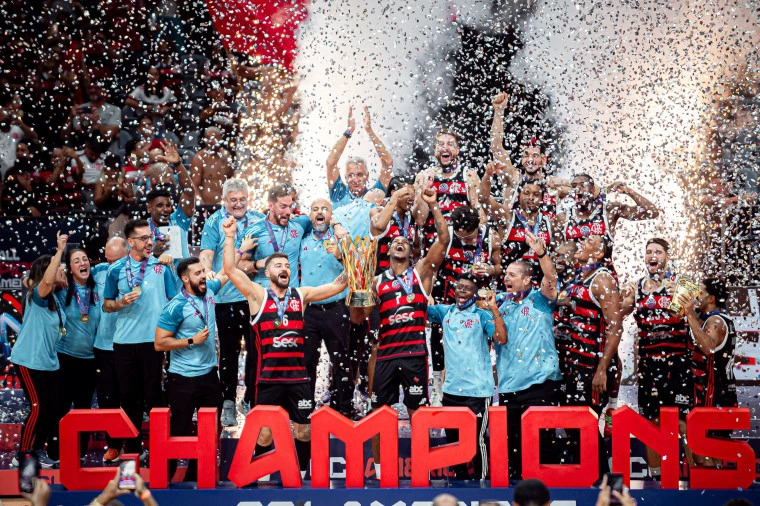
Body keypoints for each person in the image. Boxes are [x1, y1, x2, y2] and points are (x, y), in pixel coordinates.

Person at [222, 217, 349, 478]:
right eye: (278, 265)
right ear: (267, 273)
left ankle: (300, 476)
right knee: (265, 434)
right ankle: (259, 476)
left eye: (287, 266)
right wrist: (230, 236)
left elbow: (338, 285)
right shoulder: (257, 294)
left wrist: (353, 259)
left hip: (298, 379)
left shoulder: (301, 295)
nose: (285, 268)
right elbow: (231, 270)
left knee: (304, 430)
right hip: (268, 380)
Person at [350, 187, 447, 479]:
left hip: (415, 354)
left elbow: (443, 240)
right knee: (380, 413)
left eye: (405, 241)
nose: (400, 243)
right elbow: (357, 319)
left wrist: (433, 206)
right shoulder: (376, 281)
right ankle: (381, 472)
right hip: (386, 355)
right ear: (389, 250)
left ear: (412, 251)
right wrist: (357, 290)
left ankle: (423, 468)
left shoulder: (421, 272)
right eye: (395, 242)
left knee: (418, 413)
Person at [103, 219, 179, 459]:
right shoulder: (115, 270)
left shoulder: (161, 266)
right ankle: (133, 451)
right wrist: (120, 303)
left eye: (151, 237)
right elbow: (106, 305)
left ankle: (160, 450)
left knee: (154, 397)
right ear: (130, 242)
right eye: (144, 238)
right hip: (124, 343)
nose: (150, 242)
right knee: (129, 399)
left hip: (153, 343)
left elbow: (175, 300)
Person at [620, 238, 691, 478]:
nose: (653, 255)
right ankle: (657, 478)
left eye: (658, 252)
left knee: (683, 423)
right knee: (652, 422)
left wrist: (678, 295)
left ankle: (696, 474)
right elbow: (617, 313)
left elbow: (686, 314)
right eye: (649, 251)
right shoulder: (637, 287)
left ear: (667, 257)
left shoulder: (682, 283)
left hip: (677, 364)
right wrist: (623, 296)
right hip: (649, 366)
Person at [554, 234, 623, 477]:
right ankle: (586, 482)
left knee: (586, 428)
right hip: (574, 365)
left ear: (600, 253)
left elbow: (615, 327)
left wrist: (602, 369)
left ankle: (602, 485)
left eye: (590, 242)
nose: (583, 243)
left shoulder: (602, 280)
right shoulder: (579, 277)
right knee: (574, 428)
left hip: (591, 367)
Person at [155, 257, 229, 481]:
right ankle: (165, 479)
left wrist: (236, 247)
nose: (204, 276)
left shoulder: (209, 290)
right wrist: (190, 341)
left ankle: (195, 477)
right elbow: (159, 343)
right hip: (182, 379)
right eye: (198, 273)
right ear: (185, 279)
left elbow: (227, 271)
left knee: (209, 431)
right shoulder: (176, 306)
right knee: (179, 429)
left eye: (203, 271)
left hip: (209, 376)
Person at [495, 232, 562, 480]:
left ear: (527, 280)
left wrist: (541, 253)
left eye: (512, 275)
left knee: (541, 450)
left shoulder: (540, 300)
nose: (506, 278)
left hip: (540, 385)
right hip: (510, 387)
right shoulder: (499, 304)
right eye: (506, 274)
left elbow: (551, 278)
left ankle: (545, 493)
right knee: (514, 453)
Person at [427, 272, 506, 480]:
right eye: (460, 287)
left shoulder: (481, 315)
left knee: (477, 442)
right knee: (454, 443)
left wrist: (494, 308)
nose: (462, 291)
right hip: (451, 390)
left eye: (468, 288)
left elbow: (501, 338)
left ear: (475, 293)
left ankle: (483, 482)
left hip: (477, 392)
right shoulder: (445, 312)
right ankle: (460, 483)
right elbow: (419, 308)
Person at [199, 177, 264, 426]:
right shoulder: (214, 221)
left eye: (242, 199)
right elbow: (206, 253)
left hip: (252, 297)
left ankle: (250, 398)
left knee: (255, 351)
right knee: (229, 352)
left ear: (249, 198)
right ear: (224, 200)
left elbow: (262, 257)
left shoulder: (259, 219)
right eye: (233, 200)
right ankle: (227, 401)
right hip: (225, 298)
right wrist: (207, 270)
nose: (238, 204)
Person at [430, 205, 502, 405]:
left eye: (469, 237)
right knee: (439, 338)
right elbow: (433, 267)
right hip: (450, 297)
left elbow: (499, 267)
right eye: (461, 237)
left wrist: (490, 270)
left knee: (478, 343)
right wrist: (429, 294)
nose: (465, 241)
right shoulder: (446, 237)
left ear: (478, 227)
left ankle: (481, 386)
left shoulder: (491, 237)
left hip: (478, 302)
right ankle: (437, 386)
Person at [10, 232, 69, 468]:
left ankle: (37, 449)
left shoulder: (55, 297)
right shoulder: (38, 295)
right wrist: (59, 251)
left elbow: (33, 279)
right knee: (37, 408)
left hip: (49, 363)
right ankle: (23, 455)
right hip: (29, 361)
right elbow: (41, 282)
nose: (62, 270)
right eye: (58, 267)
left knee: (51, 410)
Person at [300, 198, 352, 416]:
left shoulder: (342, 237)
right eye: (315, 209)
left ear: (331, 216)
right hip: (309, 311)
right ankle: (305, 409)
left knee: (341, 362)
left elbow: (357, 268)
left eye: (324, 209)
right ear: (310, 215)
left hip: (336, 309)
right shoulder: (302, 239)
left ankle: (344, 409)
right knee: (307, 361)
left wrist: (340, 255)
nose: (319, 212)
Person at [680, 277, 738, 467]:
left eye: (701, 293)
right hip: (713, 393)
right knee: (704, 450)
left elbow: (707, 347)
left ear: (711, 298)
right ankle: (715, 480)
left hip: (714, 396)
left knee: (704, 451)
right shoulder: (711, 319)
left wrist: (690, 314)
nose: (697, 296)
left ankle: (715, 483)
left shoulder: (716, 321)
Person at [57, 247, 101, 460]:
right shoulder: (61, 289)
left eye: (85, 259)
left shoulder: (98, 288)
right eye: (76, 261)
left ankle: (80, 453)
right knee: (62, 406)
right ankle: (58, 452)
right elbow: (32, 283)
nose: (83, 263)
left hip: (90, 360)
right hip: (65, 357)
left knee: (83, 407)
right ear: (69, 268)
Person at [480, 163, 554, 282]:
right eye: (526, 193)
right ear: (519, 195)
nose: (531, 197)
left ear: (542, 198)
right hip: (509, 284)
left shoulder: (549, 223)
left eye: (536, 194)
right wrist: (487, 176)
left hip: (538, 285)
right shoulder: (507, 216)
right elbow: (484, 201)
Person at [92, 237, 128, 464]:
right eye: (108, 259)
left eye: (116, 260)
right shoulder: (98, 273)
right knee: (108, 399)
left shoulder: (141, 273)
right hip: (103, 347)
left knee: (132, 398)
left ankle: (134, 446)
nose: (111, 265)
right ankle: (114, 445)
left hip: (131, 344)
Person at [415, 129, 481, 251]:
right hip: (433, 248)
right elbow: (420, 220)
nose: (445, 147)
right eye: (440, 144)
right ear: (435, 150)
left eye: (450, 144)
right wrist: (425, 187)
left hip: (461, 247)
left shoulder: (469, 176)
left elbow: (480, 217)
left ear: (457, 150)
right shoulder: (423, 177)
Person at [244, 184, 311, 289]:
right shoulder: (254, 231)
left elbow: (324, 222)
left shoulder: (301, 223)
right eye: (283, 207)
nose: (288, 212)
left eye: (290, 206)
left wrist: (336, 225)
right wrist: (257, 264)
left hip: (291, 294)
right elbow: (238, 265)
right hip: (264, 295)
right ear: (271, 206)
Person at [326, 106, 392, 209]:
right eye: (351, 175)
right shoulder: (339, 193)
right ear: (345, 178)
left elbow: (388, 163)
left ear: (367, 176)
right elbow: (330, 163)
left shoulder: (375, 195)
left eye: (360, 174)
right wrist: (348, 131)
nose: (355, 179)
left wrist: (369, 130)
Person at [144, 141, 196, 266]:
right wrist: (153, 253)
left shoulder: (178, 221)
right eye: (159, 206)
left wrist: (178, 164)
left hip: (183, 278)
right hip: (156, 278)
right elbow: (135, 264)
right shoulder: (142, 231)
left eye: (168, 205)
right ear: (149, 208)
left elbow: (189, 192)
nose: (166, 209)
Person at [370, 176, 420, 275]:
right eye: (407, 193)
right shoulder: (377, 211)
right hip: (382, 278)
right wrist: (394, 199)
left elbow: (417, 251)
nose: (411, 198)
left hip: (406, 279)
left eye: (413, 194)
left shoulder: (412, 219)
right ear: (394, 193)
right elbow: (379, 225)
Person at [189, 126, 234, 206]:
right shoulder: (199, 158)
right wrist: (201, 204)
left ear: (220, 138)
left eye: (214, 137)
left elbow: (232, 179)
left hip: (226, 205)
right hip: (207, 205)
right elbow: (194, 185)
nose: (210, 141)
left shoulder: (226, 156)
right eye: (207, 138)